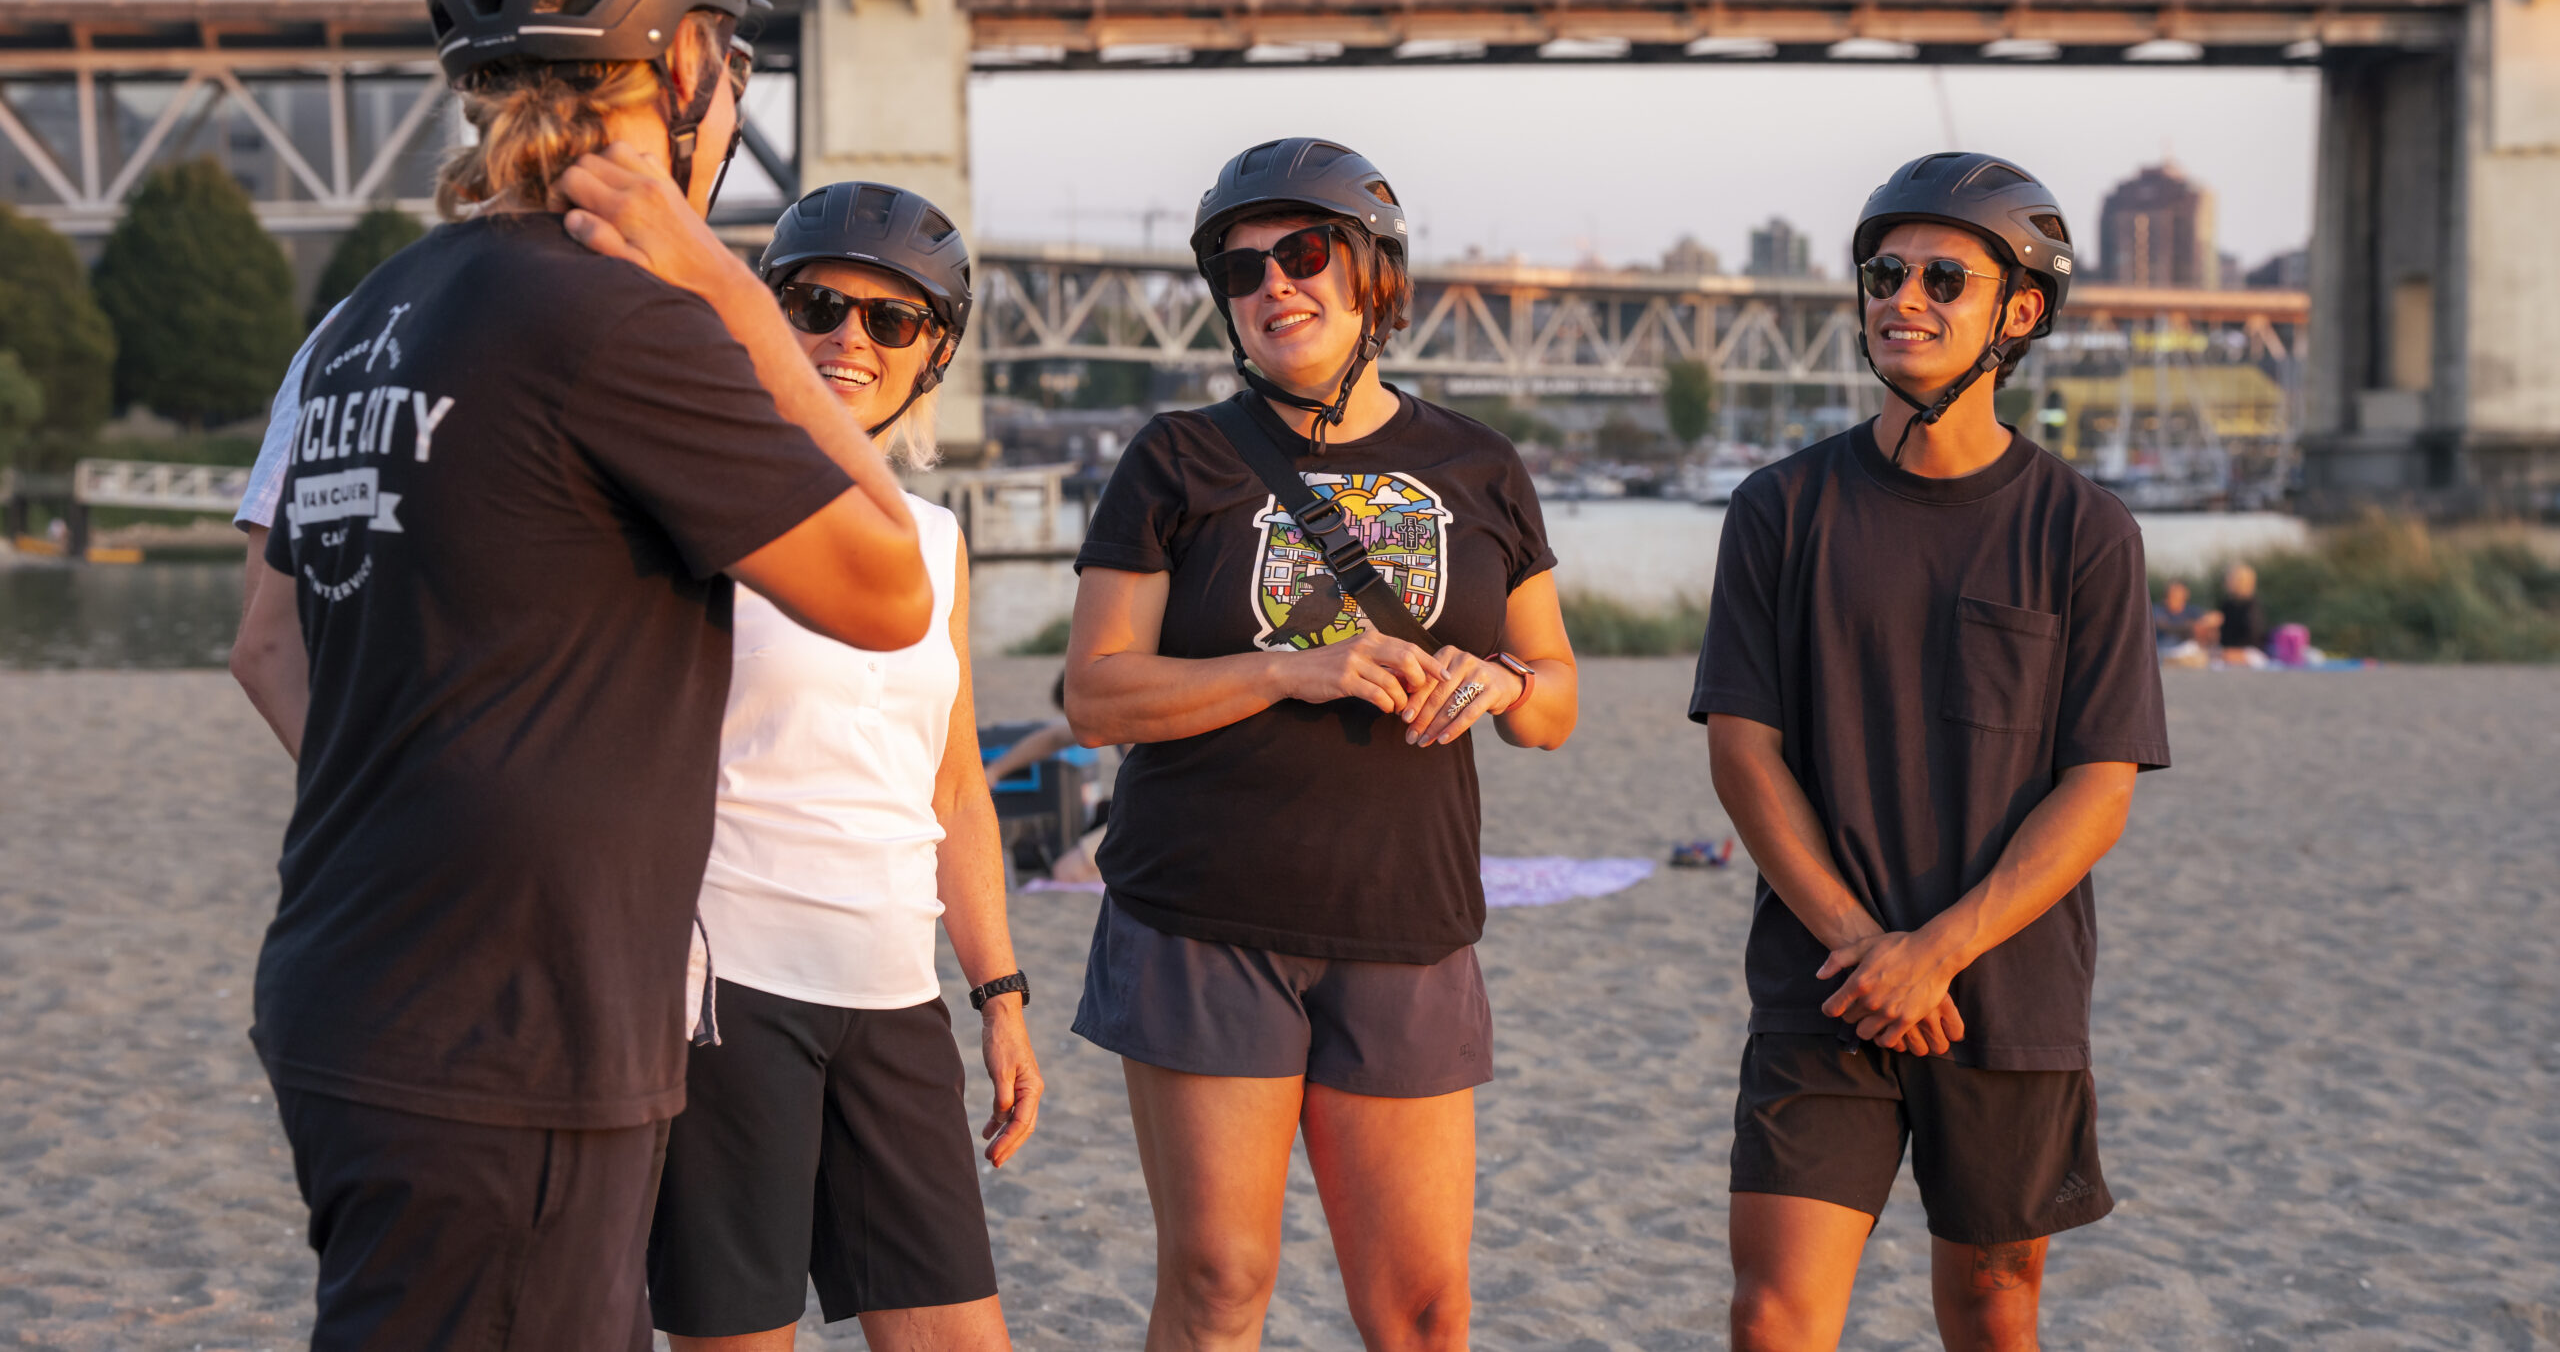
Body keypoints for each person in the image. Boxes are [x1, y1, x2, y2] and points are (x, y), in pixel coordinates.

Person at [227, 0, 934, 1352]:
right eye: (733, 61)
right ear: (679, 63)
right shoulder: (620, 317)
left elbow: (267, 640)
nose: (734, 98)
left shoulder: (378, 310)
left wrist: (447, 804)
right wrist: (738, 293)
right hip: (517, 1028)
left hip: (355, 981)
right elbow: (886, 589)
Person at [1062, 137, 1579, 1352]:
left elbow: (1556, 701)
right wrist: (1291, 668)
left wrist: (1497, 681)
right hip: (1203, 917)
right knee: (1222, 1284)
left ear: (1373, 280)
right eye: (1241, 272)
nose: (1273, 287)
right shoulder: (1176, 459)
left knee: (1423, 1311)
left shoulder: (1478, 466)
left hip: (1405, 923)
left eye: (1303, 255)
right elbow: (1095, 694)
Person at [1692, 150, 2171, 1352]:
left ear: (2017, 313)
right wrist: (1867, 952)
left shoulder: (2085, 531)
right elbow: (1745, 755)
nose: (1903, 297)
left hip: (2007, 997)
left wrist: (1939, 954)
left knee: (1994, 1312)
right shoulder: (1778, 510)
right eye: (1883, 272)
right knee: (1771, 1316)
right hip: (1823, 988)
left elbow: (2097, 786)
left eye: (1941, 279)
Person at [645, 181, 1042, 1352]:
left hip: (892, 993)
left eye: (891, 321)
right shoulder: (691, 504)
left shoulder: (933, 539)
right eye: (815, 306)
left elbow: (953, 779)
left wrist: (999, 994)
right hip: (727, 988)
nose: (847, 341)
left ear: (936, 352)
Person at [2215, 562, 2269, 662]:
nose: (2226, 582)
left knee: (2224, 656)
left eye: (2230, 579)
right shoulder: (2227, 604)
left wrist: (2232, 650)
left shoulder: (2252, 606)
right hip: (2228, 650)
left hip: (2250, 651)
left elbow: (2254, 636)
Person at [2150, 580, 2199, 652]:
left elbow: (2213, 618)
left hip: (2184, 650)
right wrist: (2187, 626)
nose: (2176, 597)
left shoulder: (2190, 609)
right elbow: (2163, 626)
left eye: (2180, 594)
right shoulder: (2158, 609)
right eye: (2174, 594)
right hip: (2162, 648)